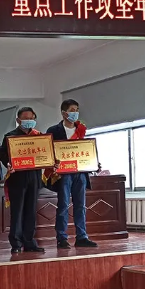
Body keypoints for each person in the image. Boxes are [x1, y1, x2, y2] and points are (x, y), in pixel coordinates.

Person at [46, 99, 98, 249]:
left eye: (77, 110)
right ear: (64, 113)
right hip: (63, 174)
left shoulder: (81, 129)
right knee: (63, 205)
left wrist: (94, 162)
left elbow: (86, 150)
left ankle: (82, 236)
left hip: (80, 173)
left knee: (80, 206)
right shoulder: (54, 130)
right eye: (72, 110)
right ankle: (61, 238)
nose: (75, 113)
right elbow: (49, 151)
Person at [0, 107, 46, 254]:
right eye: (25, 119)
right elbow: (3, 155)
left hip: (34, 177)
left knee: (31, 211)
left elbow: (45, 154)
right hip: (17, 178)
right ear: (18, 120)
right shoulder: (10, 136)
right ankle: (16, 243)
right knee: (17, 212)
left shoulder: (39, 136)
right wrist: (8, 163)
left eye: (31, 118)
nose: (29, 121)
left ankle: (29, 242)